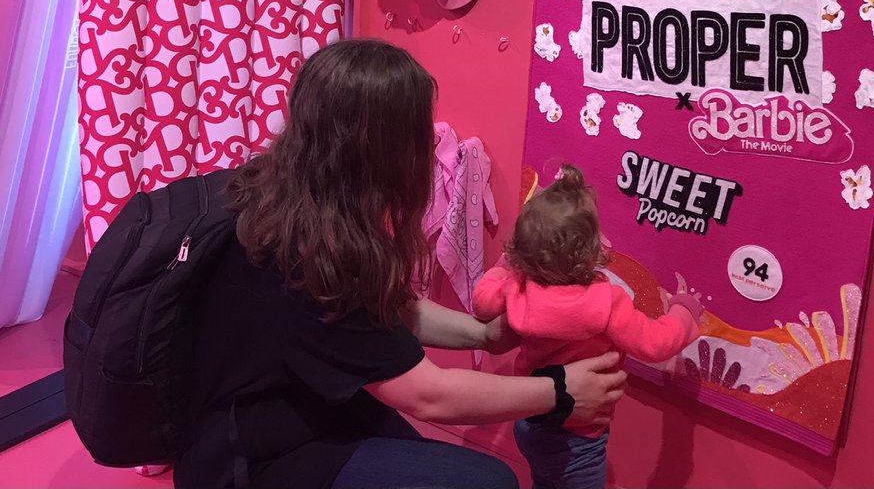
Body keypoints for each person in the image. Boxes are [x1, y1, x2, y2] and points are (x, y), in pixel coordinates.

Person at [174, 40, 626, 489]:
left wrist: (485, 335)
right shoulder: (304, 255)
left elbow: (383, 309)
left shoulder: (283, 195)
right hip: (250, 458)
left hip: (295, 411)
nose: (429, 147)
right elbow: (428, 395)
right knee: (489, 482)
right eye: (419, 134)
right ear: (380, 149)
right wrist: (561, 391)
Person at [473, 165, 702, 489]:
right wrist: (684, 311)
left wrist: (505, 267)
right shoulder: (607, 302)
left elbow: (482, 302)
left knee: (545, 479)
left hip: (529, 418)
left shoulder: (517, 287)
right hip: (578, 437)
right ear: (592, 251)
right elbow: (657, 343)